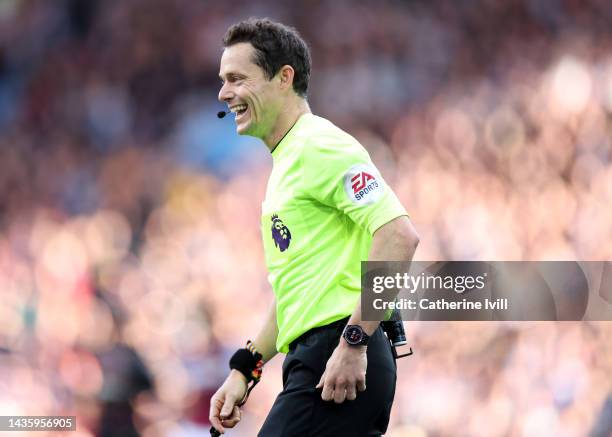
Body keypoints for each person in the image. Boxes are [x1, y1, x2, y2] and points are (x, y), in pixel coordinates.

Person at [209, 18, 419, 437]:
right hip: (322, 355)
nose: (223, 92)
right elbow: (297, 298)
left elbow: (398, 236)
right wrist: (244, 370)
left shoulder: (318, 145)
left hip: (338, 352)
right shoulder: (288, 163)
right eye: (222, 80)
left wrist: (354, 341)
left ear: (284, 77)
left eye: (237, 78)